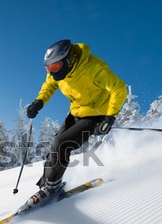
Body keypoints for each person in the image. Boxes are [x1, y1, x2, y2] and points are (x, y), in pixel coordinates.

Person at [26, 39, 127, 205]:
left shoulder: (94, 68)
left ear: (68, 59)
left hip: (96, 115)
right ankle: (46, 187)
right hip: (76, 112)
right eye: (48, 68)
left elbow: (119, 88)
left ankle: (51, 187)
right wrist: (39, 101)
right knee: (55, 147)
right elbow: (49, 85)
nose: (52, 72)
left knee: (62, 143)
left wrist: (110, 117)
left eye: (55, 67)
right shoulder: (58, 72)